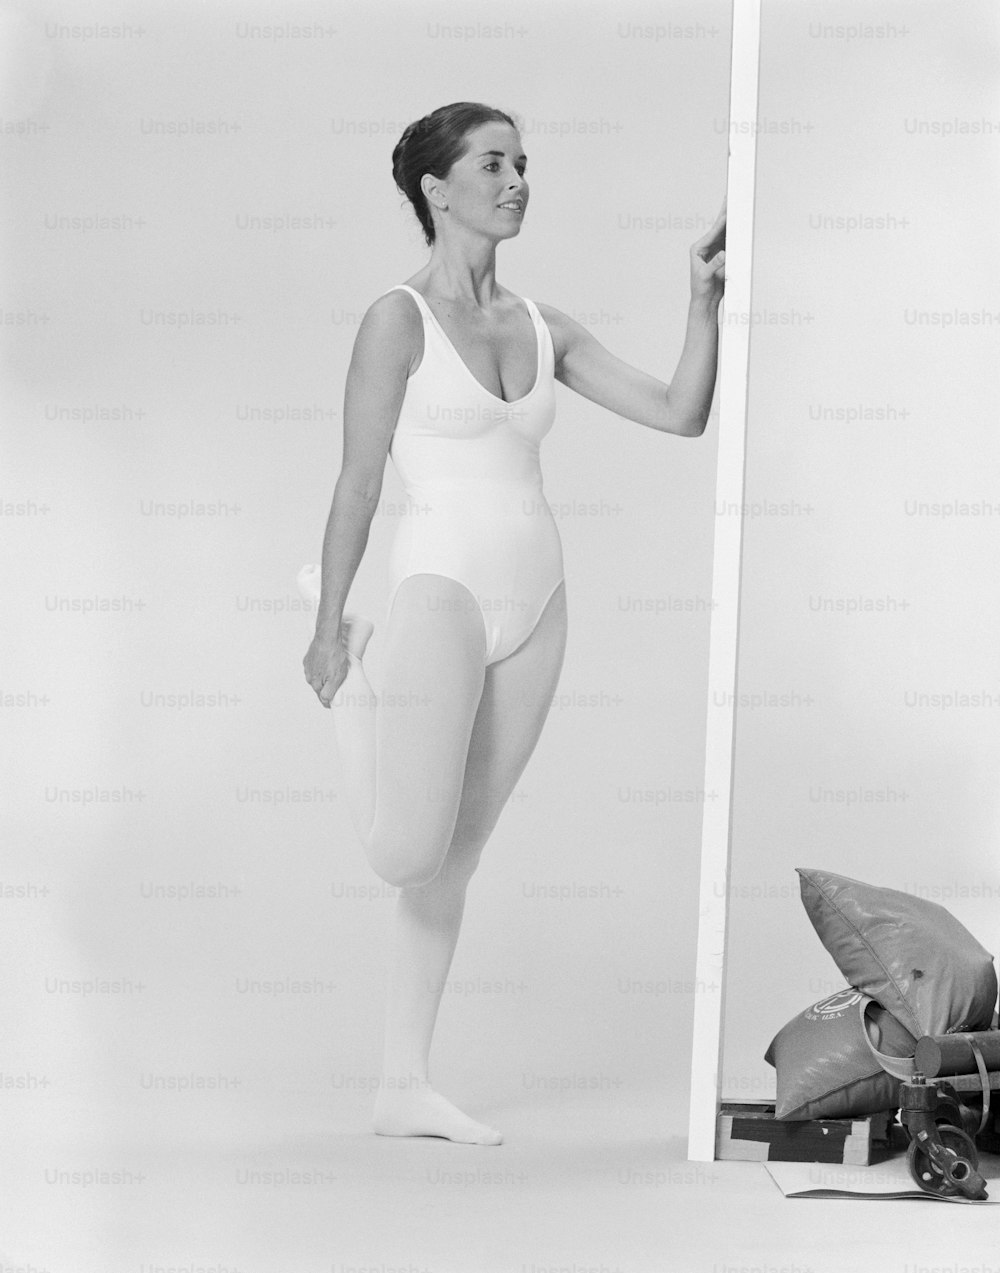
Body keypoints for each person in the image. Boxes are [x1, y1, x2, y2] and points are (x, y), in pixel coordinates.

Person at [299, 101, 725, 1145]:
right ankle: (352, 688)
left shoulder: (544, 326)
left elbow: (678, 412)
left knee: (460, 850)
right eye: (493, 163)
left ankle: (402, 1083)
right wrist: (325, 623)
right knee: (407, 849)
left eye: (522, 163)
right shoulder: (393, 321)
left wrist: (702, 302)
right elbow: (358, 483)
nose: (517, 179)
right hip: (439, 585)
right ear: (436, 190)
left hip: (539, 598)